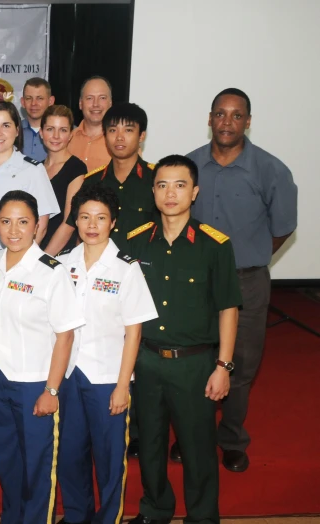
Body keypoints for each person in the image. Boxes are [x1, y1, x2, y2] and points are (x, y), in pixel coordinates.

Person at [178, 88, 297, 472]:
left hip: (246, 284)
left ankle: (230, 438)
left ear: (248, 121)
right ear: (210, 118)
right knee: (194, 363)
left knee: (240, 367)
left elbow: (281, 230)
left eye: (236, 115)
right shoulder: (190, 166)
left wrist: (247, 258)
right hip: (195, 285)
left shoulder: (271, 170)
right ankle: (190, 435)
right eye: (220, 114)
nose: (227, 122)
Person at [127, 154, 242, 524]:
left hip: (194, 365)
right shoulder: (136, 243)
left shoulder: (214, 245)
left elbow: (228, 308)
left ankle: (203, 517)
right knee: (151, 447)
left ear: (194, 192)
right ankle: (156, 509)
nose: (170, 193)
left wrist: (223, 366)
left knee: (198, 449)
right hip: (146, 361)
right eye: (162, 185)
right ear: (153, 192)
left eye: (179, 185)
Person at [0, 190, 83, 524]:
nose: (13, 230)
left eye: (23, 222)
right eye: (5, 221)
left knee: (38, 468)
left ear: (37, 226)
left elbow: (66, 334)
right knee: (7, 460)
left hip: (35, 383)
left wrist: (52, 391)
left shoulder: (51, 272)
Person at [56, 184, 157, 524]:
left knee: (110, 458)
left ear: (113, 222)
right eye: (84, 217)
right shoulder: (62, 264)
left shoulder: (125, 268)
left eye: (100, 218)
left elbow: (134, 331)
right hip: (69, 375)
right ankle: (76, 516)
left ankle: (108, 519)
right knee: (70, 454)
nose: (91, 225)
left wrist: (123, 385)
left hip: (107, 380)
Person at [0, 100, 60, 261]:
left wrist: (20, 262)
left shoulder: (32, 171)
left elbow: (40, 227)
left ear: (17, 130)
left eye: (6, 126)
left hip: (13, 263)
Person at [65, 102, 155, 257]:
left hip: (143, 271)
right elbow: (80, 234)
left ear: (141, 135)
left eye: (128, 130)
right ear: (105, 135)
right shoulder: (92, 181)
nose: (119, 137)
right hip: (100, 272)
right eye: (112, 130)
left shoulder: (157, 179)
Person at [38, 105, 88, 255]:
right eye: (50, 129)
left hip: (60, 253)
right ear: (41, 132)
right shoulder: (36, 168)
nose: (56, 136)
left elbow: (69, 222)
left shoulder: (76, 168)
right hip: (34, 249)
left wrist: (44, 258)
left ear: (71, 135)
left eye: (63, 130)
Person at [67, 76, 113, 171]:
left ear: (110, 103)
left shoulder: (122, 143)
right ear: (80, 103)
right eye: (89, 98)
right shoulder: (66, 140)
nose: (96, 104)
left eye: (102, 98)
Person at [19, 77, 55, 162]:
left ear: (50, 101)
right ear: (23, 102)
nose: (34, 103)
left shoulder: (65, 132)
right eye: (29, 98)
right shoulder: (13, 131)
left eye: (40, 98)